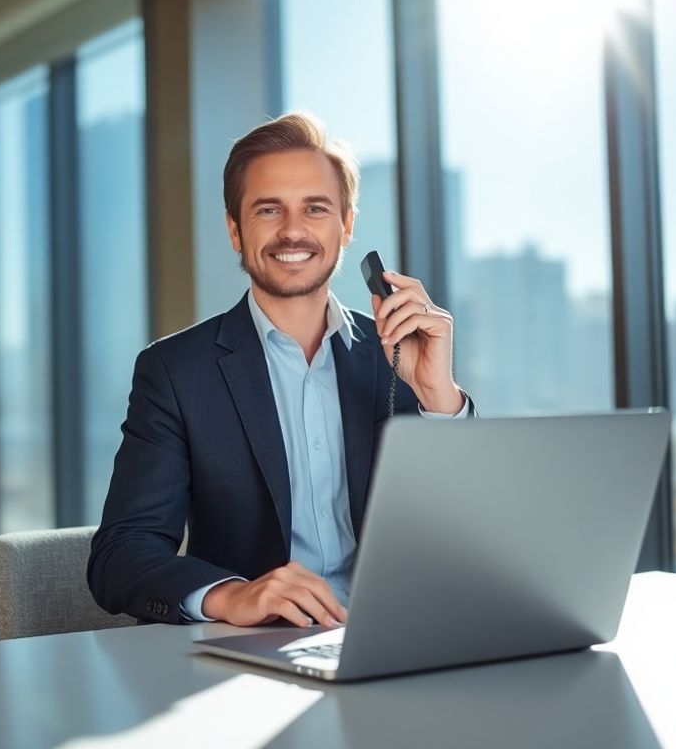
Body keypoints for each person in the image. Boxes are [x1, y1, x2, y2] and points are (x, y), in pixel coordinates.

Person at [88, 112, 473, 628]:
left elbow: (462, 537)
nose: (293, 230)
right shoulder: (176, 372)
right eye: (269, 210)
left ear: (348, 225)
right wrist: (231, 596)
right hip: (257, 657)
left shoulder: (400, 351)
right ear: (234, 230)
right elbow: (120, 553)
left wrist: (438, 399)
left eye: (315, 208)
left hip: (398, 634)